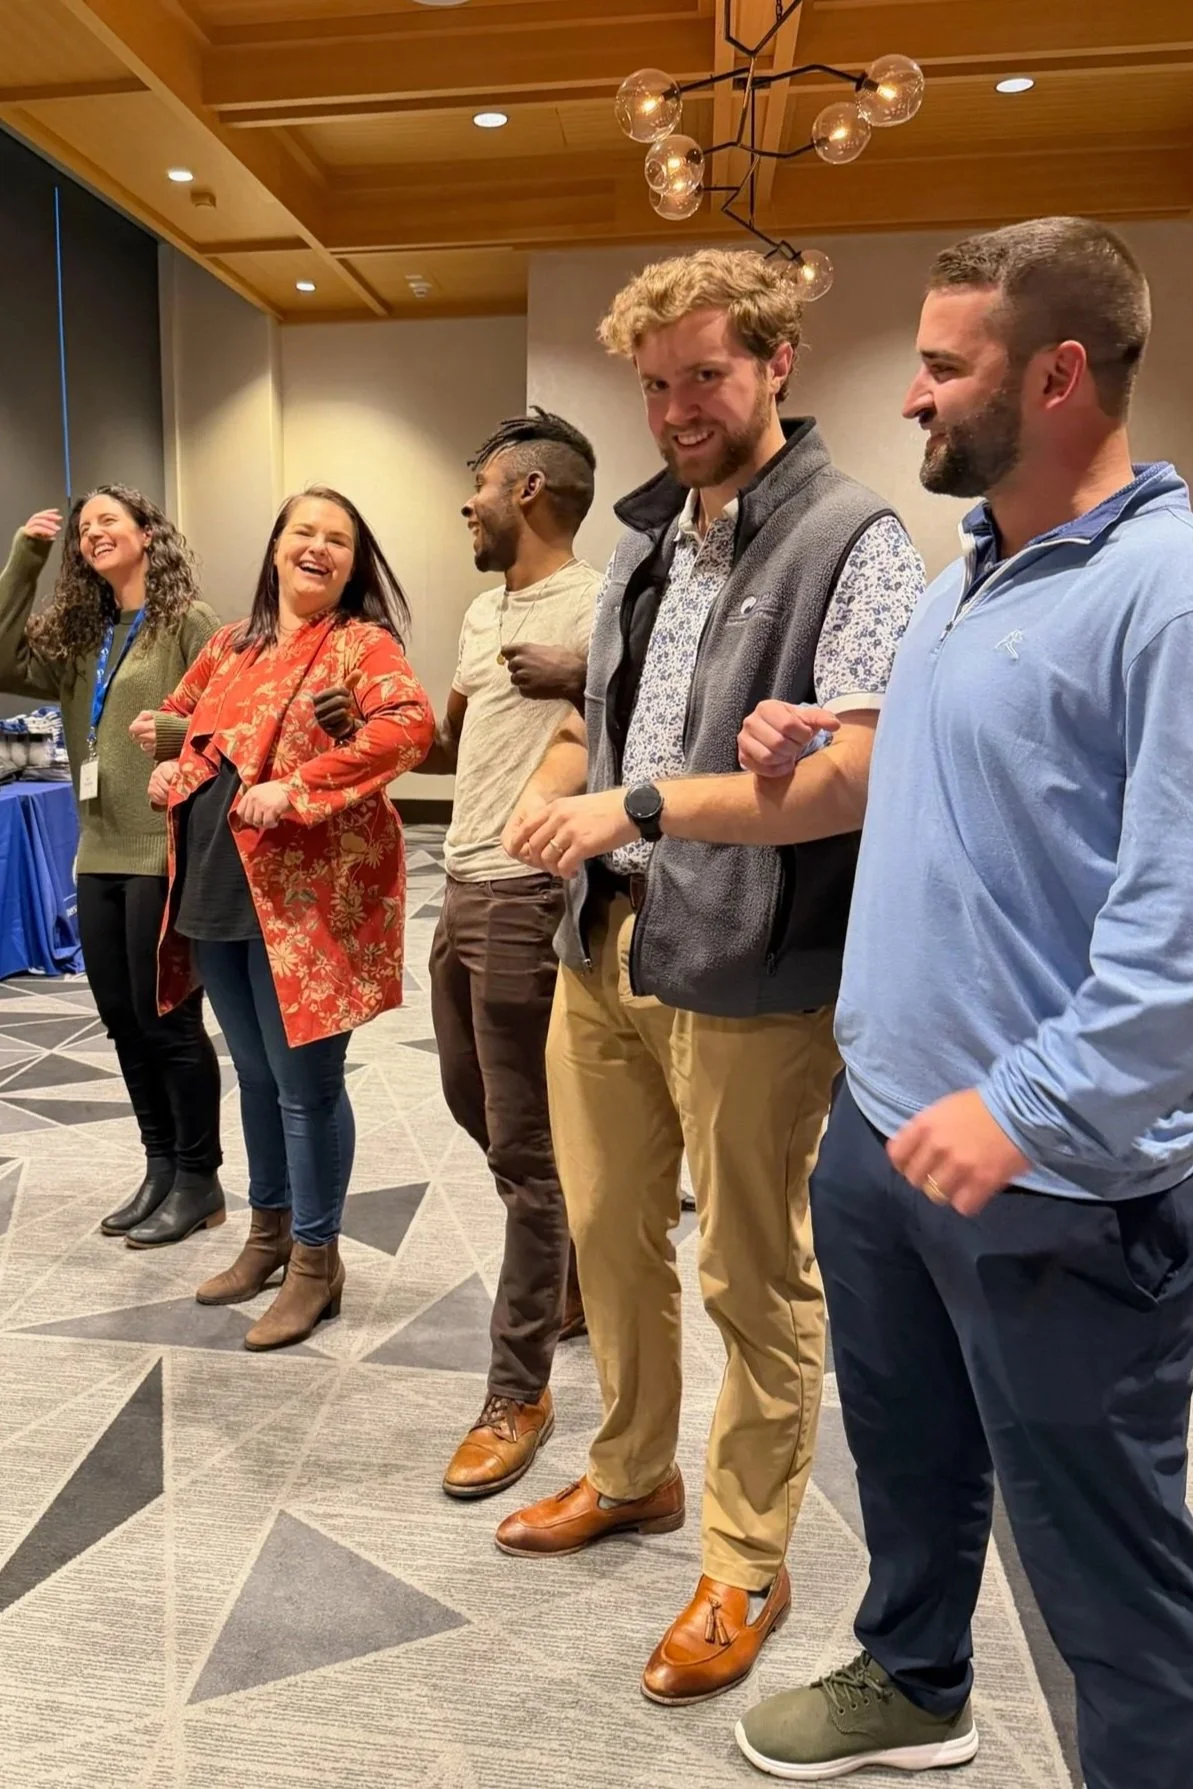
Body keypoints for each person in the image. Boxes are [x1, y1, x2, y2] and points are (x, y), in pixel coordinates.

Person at [729, 218, 1193, 1788]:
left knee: (1105, 1569)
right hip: (892, 1125)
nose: (910, 397)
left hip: (1049, 1164)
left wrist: (1030, 1109)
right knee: (910, 1460)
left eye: (942, 365)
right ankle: (917, 1678)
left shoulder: (1168, 591)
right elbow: (973, 790)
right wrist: (825, 739)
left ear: (1059, 372)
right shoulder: (965, 577)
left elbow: (1177, 926)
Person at [495, 249, 925, 1707]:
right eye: (658, 382)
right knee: (609, 1238)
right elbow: (607, 734)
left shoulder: (857, 539)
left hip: (752, 961)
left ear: (777, 365)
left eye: (708, 374)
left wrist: (640, 805)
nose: (681, 405)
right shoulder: (647, 539)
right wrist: (567, 785)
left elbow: (855, 780)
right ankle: (631, 1475)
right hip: (606, 942)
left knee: (753, 1270)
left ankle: (745, 1555)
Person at [141, 486, 434, 1350]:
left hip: (304, 902)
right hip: (215, 883)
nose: (318, 547)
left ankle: (317, 1261)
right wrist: (170, 765)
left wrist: (299, 785)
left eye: (337, 539)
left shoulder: (361, 643)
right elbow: (185, 725)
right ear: (275, 546)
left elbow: (410, 727)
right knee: (258, 1077)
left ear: (354, 562)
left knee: (306, 1090)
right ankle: (267, 1236)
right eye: (303, 531)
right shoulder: (232, 643)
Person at [0, 490, 224, 1245]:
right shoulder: (87, 633)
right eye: (84, 528)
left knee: (169, 1023)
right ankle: (159, 1164)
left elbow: (235, 721)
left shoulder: (186, 622)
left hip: (161, 846)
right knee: (124, 1022)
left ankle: (199, 1177)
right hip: (96, 851)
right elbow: (1, 657)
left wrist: (170, 730)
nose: (94, 534)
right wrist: (23, 561)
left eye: (109, 522)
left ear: (147, 534)